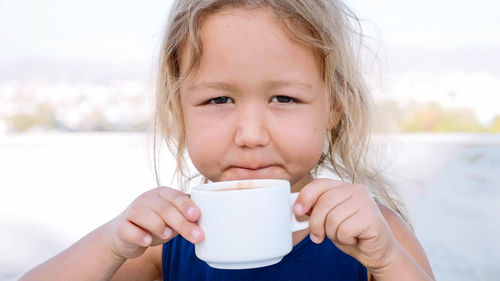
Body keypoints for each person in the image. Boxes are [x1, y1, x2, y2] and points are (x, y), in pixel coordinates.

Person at [20, 0, 435, 280]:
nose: (250, 135)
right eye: (218, 99)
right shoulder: (167, 241)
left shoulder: (372, 234)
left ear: (333, 107)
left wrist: (386, 260)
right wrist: (112, 242)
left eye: (284, 98)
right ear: (178, 109)